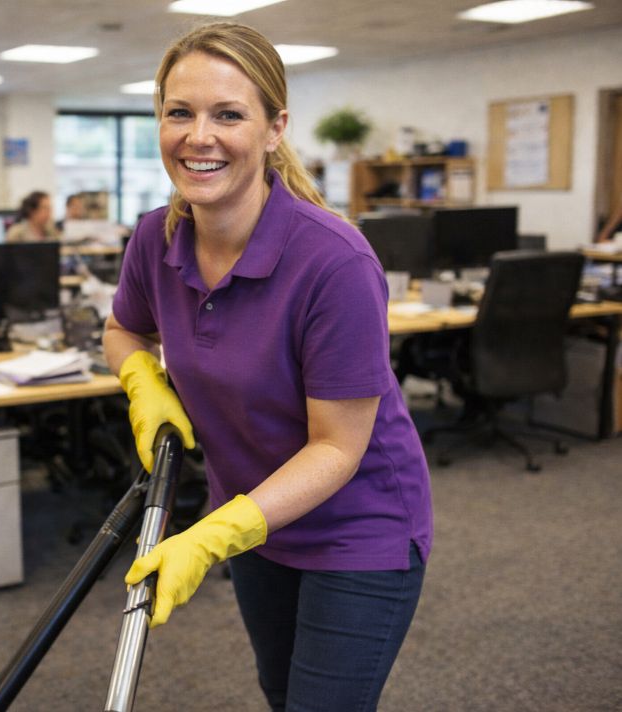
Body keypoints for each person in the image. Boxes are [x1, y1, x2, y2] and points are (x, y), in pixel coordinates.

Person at [102, 22, 433, 711]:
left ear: (275, 128)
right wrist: (143, 385)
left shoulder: (333, 262)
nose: (200, 136)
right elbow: (124, 328)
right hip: (255, 515)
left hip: (356, 527)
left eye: (229, 114)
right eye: (179, 112)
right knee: (282, 695)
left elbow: (339, 448)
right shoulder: (154, 237)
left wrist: (216, 533)